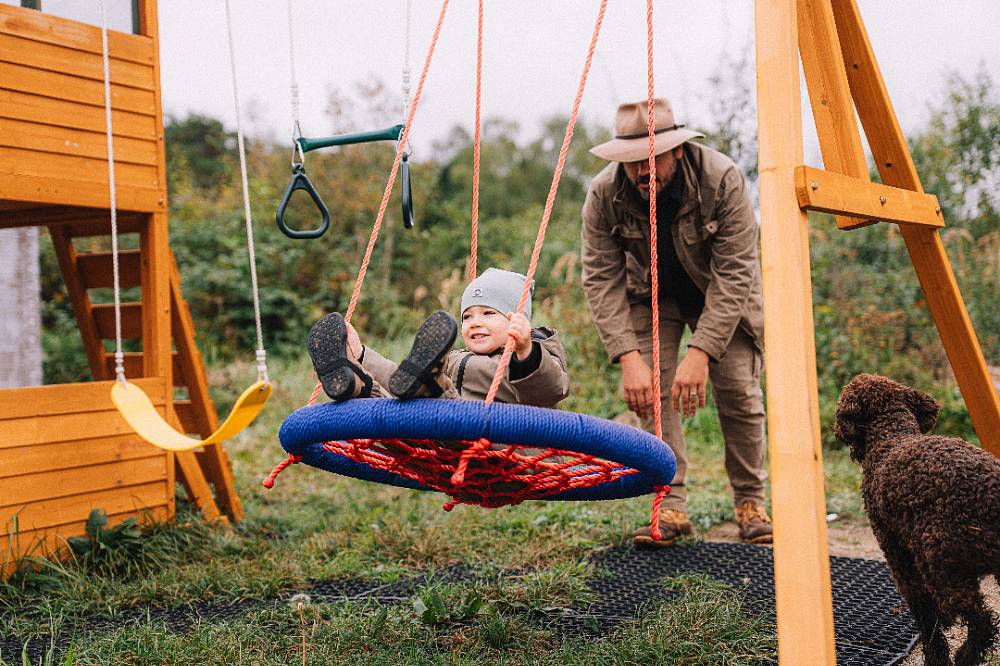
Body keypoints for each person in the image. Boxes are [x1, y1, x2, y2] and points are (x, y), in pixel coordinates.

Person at [581, 97, 771, 546]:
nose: (645, 171)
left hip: (721, 295)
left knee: (739, 391)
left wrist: (701, 352)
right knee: (651, 396)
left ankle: (750, 502)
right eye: (633, 162)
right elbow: (600, 278)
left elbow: (736, 272)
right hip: (651, 297)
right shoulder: (603, 194)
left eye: (655, 158)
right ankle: (670, 504)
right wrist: (627, 357)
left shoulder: (721, 178)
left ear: (678, 151)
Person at [308, 268, 570, 408]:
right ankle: (360, 385)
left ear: (517, 319)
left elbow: (551, 390)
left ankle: (430, 387)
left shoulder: (531, 357)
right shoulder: (455, 359)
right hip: (443, 445)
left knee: (431, 404)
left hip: (503, 447)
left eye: (489, 313)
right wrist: (363, 353)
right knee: (399, 411)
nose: (475, 322)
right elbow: (400, 379)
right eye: (467, 317)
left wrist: (525, 350)